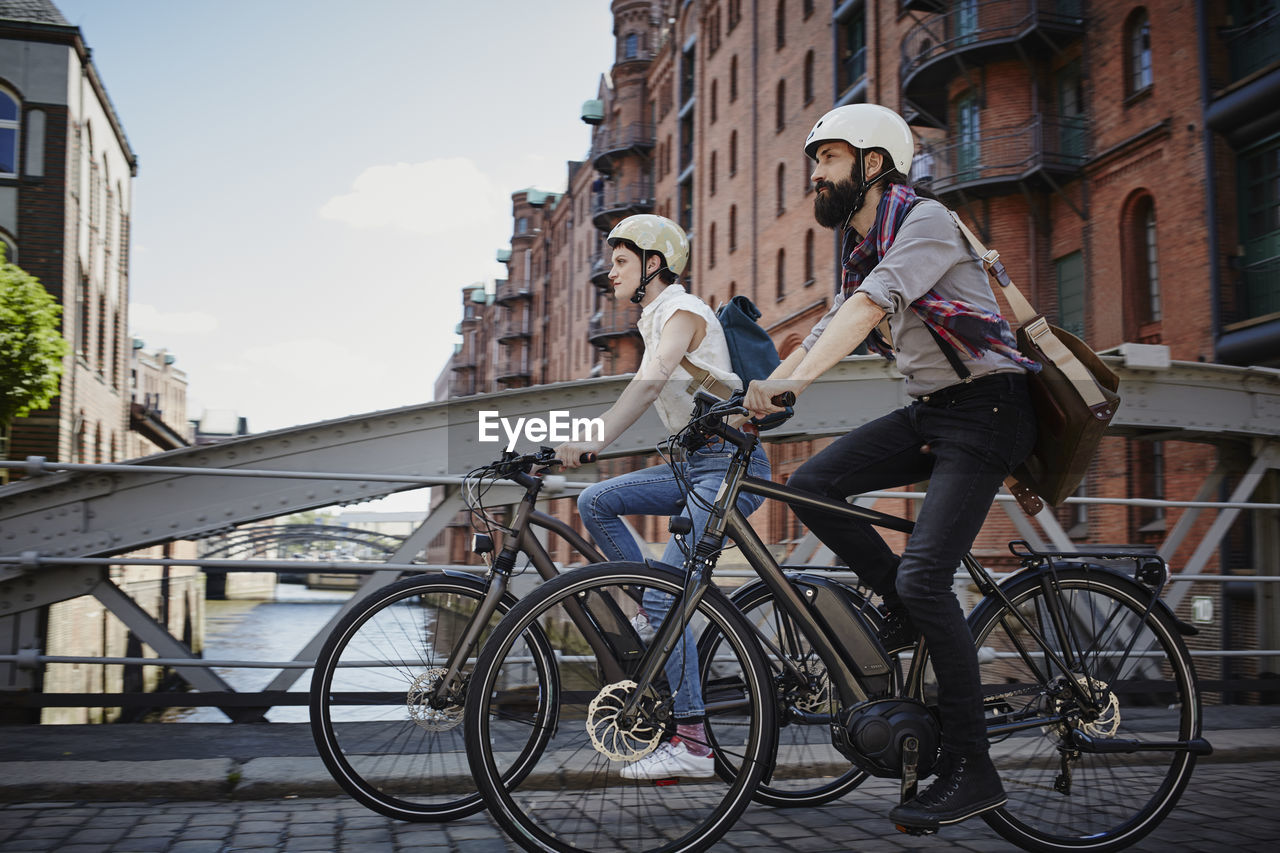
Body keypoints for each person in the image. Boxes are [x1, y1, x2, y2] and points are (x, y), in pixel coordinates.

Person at [743, 103, 1038, 831]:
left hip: (991, 406)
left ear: (873, 165)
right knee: (811, 483)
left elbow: (869, 311)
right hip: (935, 410)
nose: (815, 174)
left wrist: (792, 387)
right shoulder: (862, 241)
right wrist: (757, 394)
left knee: (927, 572)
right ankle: (903, 606)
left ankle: (973, 766)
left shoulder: (926, 223)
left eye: (829, 159)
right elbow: (826, 323)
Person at [554, 213, 772, 780]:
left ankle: (694, 743)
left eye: (622, 261)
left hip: (729, 470)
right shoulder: (656, 317)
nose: (611, 273)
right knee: (595, 502)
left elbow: (649, 382)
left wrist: (593, 438)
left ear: (655, 264)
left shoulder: (682, 311)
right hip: (693, 465)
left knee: (664, 599)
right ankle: (653, 609)